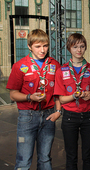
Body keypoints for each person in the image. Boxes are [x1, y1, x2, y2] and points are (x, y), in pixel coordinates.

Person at [6, 29, 61, 170]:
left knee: (45, 159)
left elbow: (59, 92)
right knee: (23, 161)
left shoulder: (54, 65)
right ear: (29, 46)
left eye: (45, 46)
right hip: (27, 117)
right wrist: (29, 97)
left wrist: (58, 112)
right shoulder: (20, 66)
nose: (42, 50)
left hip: (49, 116)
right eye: (38, 46)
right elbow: (13, 94)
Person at [54, 33, 90, 170]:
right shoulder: (61, 71)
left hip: (89, 117)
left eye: (82, 46)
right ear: (69, 48)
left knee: (88, 155)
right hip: (70, 117)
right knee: (71, 155)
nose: (79, 50)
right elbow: (61, 99)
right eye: (75, 47)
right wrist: (74, 96)